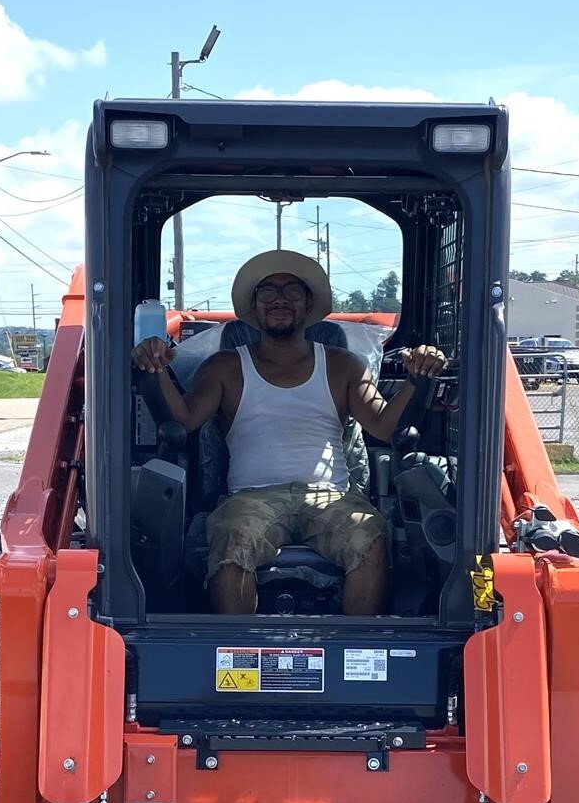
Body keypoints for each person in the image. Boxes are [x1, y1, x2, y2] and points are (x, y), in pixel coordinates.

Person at [135, 249, 445, 614]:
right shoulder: (225, 367)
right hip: (251, 498)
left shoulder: (343, 365)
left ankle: (352, 656)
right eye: (268, 291)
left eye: (292, 291)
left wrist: (418, 376)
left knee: (370, 537)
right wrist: (153, 367)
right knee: (233, 538)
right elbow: (183, 421)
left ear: (308, 302)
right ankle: (239, 656)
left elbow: (385, 424)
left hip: (332, 499)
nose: (280, 299)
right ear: (254, 304)